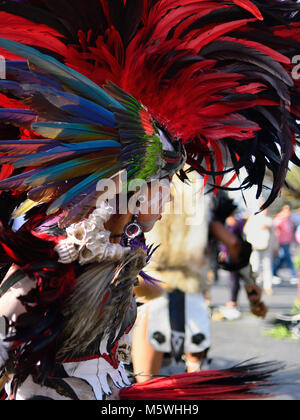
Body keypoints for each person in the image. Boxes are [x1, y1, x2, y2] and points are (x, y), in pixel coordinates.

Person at [0, 0, 298, 401]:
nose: (171, 194)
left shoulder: (119, 256)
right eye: (164, 181)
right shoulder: (44, 271)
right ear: (131, 187)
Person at [132, 187, 266, 382]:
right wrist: (250, 283)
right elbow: (234, 245)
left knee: (145, 383)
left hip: (150, 290)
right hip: (192, 293)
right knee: (196, 376)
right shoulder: (203, 193)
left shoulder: (149, 188)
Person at [244, 209, 276, 295]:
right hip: (255, 247)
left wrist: (275, 246)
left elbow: (274, 234)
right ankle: (255, 285)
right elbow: (247, 231)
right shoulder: (254, 218)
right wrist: (250, 243)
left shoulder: (269, 220)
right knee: (255, 267)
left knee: (267, 267)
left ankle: (268, 287)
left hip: (267, 247)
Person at [273, 205, 298, 285]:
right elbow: (275, 229)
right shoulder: (280, 219)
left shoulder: (289, 219)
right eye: (287, 210)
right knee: (288, 258)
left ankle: (273, 272)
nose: (289, 212)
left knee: (282, 258)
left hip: (287, 241)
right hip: (281, 242)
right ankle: (294, 275)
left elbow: (291, 230)